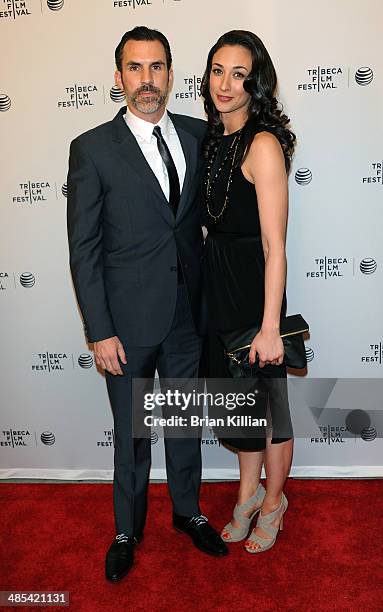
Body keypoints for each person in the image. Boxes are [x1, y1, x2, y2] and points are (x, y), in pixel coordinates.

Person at [67, 26, 227, 582]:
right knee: (131, 433)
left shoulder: (198, 134)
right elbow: (83, 249)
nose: (147, 80)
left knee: (184, 422)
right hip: (126, 325)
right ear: (119, 77)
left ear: (170, 73)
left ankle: (188, 511)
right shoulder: (92, 149)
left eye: (156, 67)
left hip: (186, 316)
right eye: (135, 68)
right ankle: (126, 529)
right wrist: (99, 330)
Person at [201, 30, 296, 553]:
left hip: (255, 298)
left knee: (272, 413)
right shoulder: (213, 140)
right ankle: (246, 494)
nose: (226, 83)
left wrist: (269, 326)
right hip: (218, 294)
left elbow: (274, 245)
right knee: (241, 409)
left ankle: (275, 500)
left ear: (256, 84)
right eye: (218, 70)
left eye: (239, 74)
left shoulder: (262, 144)